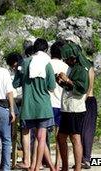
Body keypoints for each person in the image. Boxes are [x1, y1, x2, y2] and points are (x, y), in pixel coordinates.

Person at [13, 38, 56, 171]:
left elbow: (15, 84)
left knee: (27, 134)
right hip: (43, 107)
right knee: (41, 138)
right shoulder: (47, 64)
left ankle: (30, 163)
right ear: (46, 50)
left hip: (28, 107)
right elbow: (51, 87)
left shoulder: (24, 63)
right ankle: (36, 166)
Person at [57, 42, 90, 171]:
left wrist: (67, 80)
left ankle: (77, 168)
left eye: (67, 58)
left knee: (75, 137)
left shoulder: (81, 69)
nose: (66, 61)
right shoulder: (72, 67)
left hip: (75, 108)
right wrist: (61, 82)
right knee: (61, 137)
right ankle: (65, 167)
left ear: (74, 57)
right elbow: (70, 87)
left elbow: (82, 88)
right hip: (67, 107)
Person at [49, 40, 69, 170]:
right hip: (61, 103)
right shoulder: (66, 66)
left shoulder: (47, 64)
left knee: (43, 135)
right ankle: (58, 163)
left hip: (48, 103)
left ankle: (43, 161)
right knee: (60, 137)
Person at [81, 66, 97, 169]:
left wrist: (83, 100)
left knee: (87, 131)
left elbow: (89, 87)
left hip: (88, 100)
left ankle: (86, 159)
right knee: (80, 132)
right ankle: (82, 159)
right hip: (82, 101)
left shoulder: (88, 68)